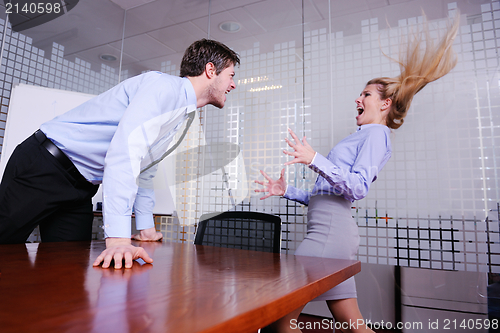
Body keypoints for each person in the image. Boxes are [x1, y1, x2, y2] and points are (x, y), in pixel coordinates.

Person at [255, 13, 459, 333]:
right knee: (355, 326)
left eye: (365, 94)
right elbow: (327, 197)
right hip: (331, 234)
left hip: (328, 238)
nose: (358, 98)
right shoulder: (362, 136)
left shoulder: (377, 135)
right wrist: (287, 191)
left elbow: (358, 187)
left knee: (280, 321)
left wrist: (314, 159)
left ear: (385, 103)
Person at [0, 39, 239, 269]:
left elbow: (144, 170)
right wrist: (118, 240)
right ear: (210, 70)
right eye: (231, 75)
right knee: (4, 247)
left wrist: (145, 227)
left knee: (67, 271)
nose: (233, 85)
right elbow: (124, 154)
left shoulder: (182, 115)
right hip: (44, 165)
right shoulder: (163, 88)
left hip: (80, 188)